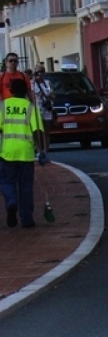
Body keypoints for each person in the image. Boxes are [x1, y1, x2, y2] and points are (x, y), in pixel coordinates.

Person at [1, 76, 49, 229]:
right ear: (26, 92)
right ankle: (27, 219)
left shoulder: (3, 106)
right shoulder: (31, 108)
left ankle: (11, 202)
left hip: (7, 152)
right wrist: (42, 151)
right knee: (26, 186)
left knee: (7, 181)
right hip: (26, 153)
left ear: (11, 91)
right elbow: (37, 132)